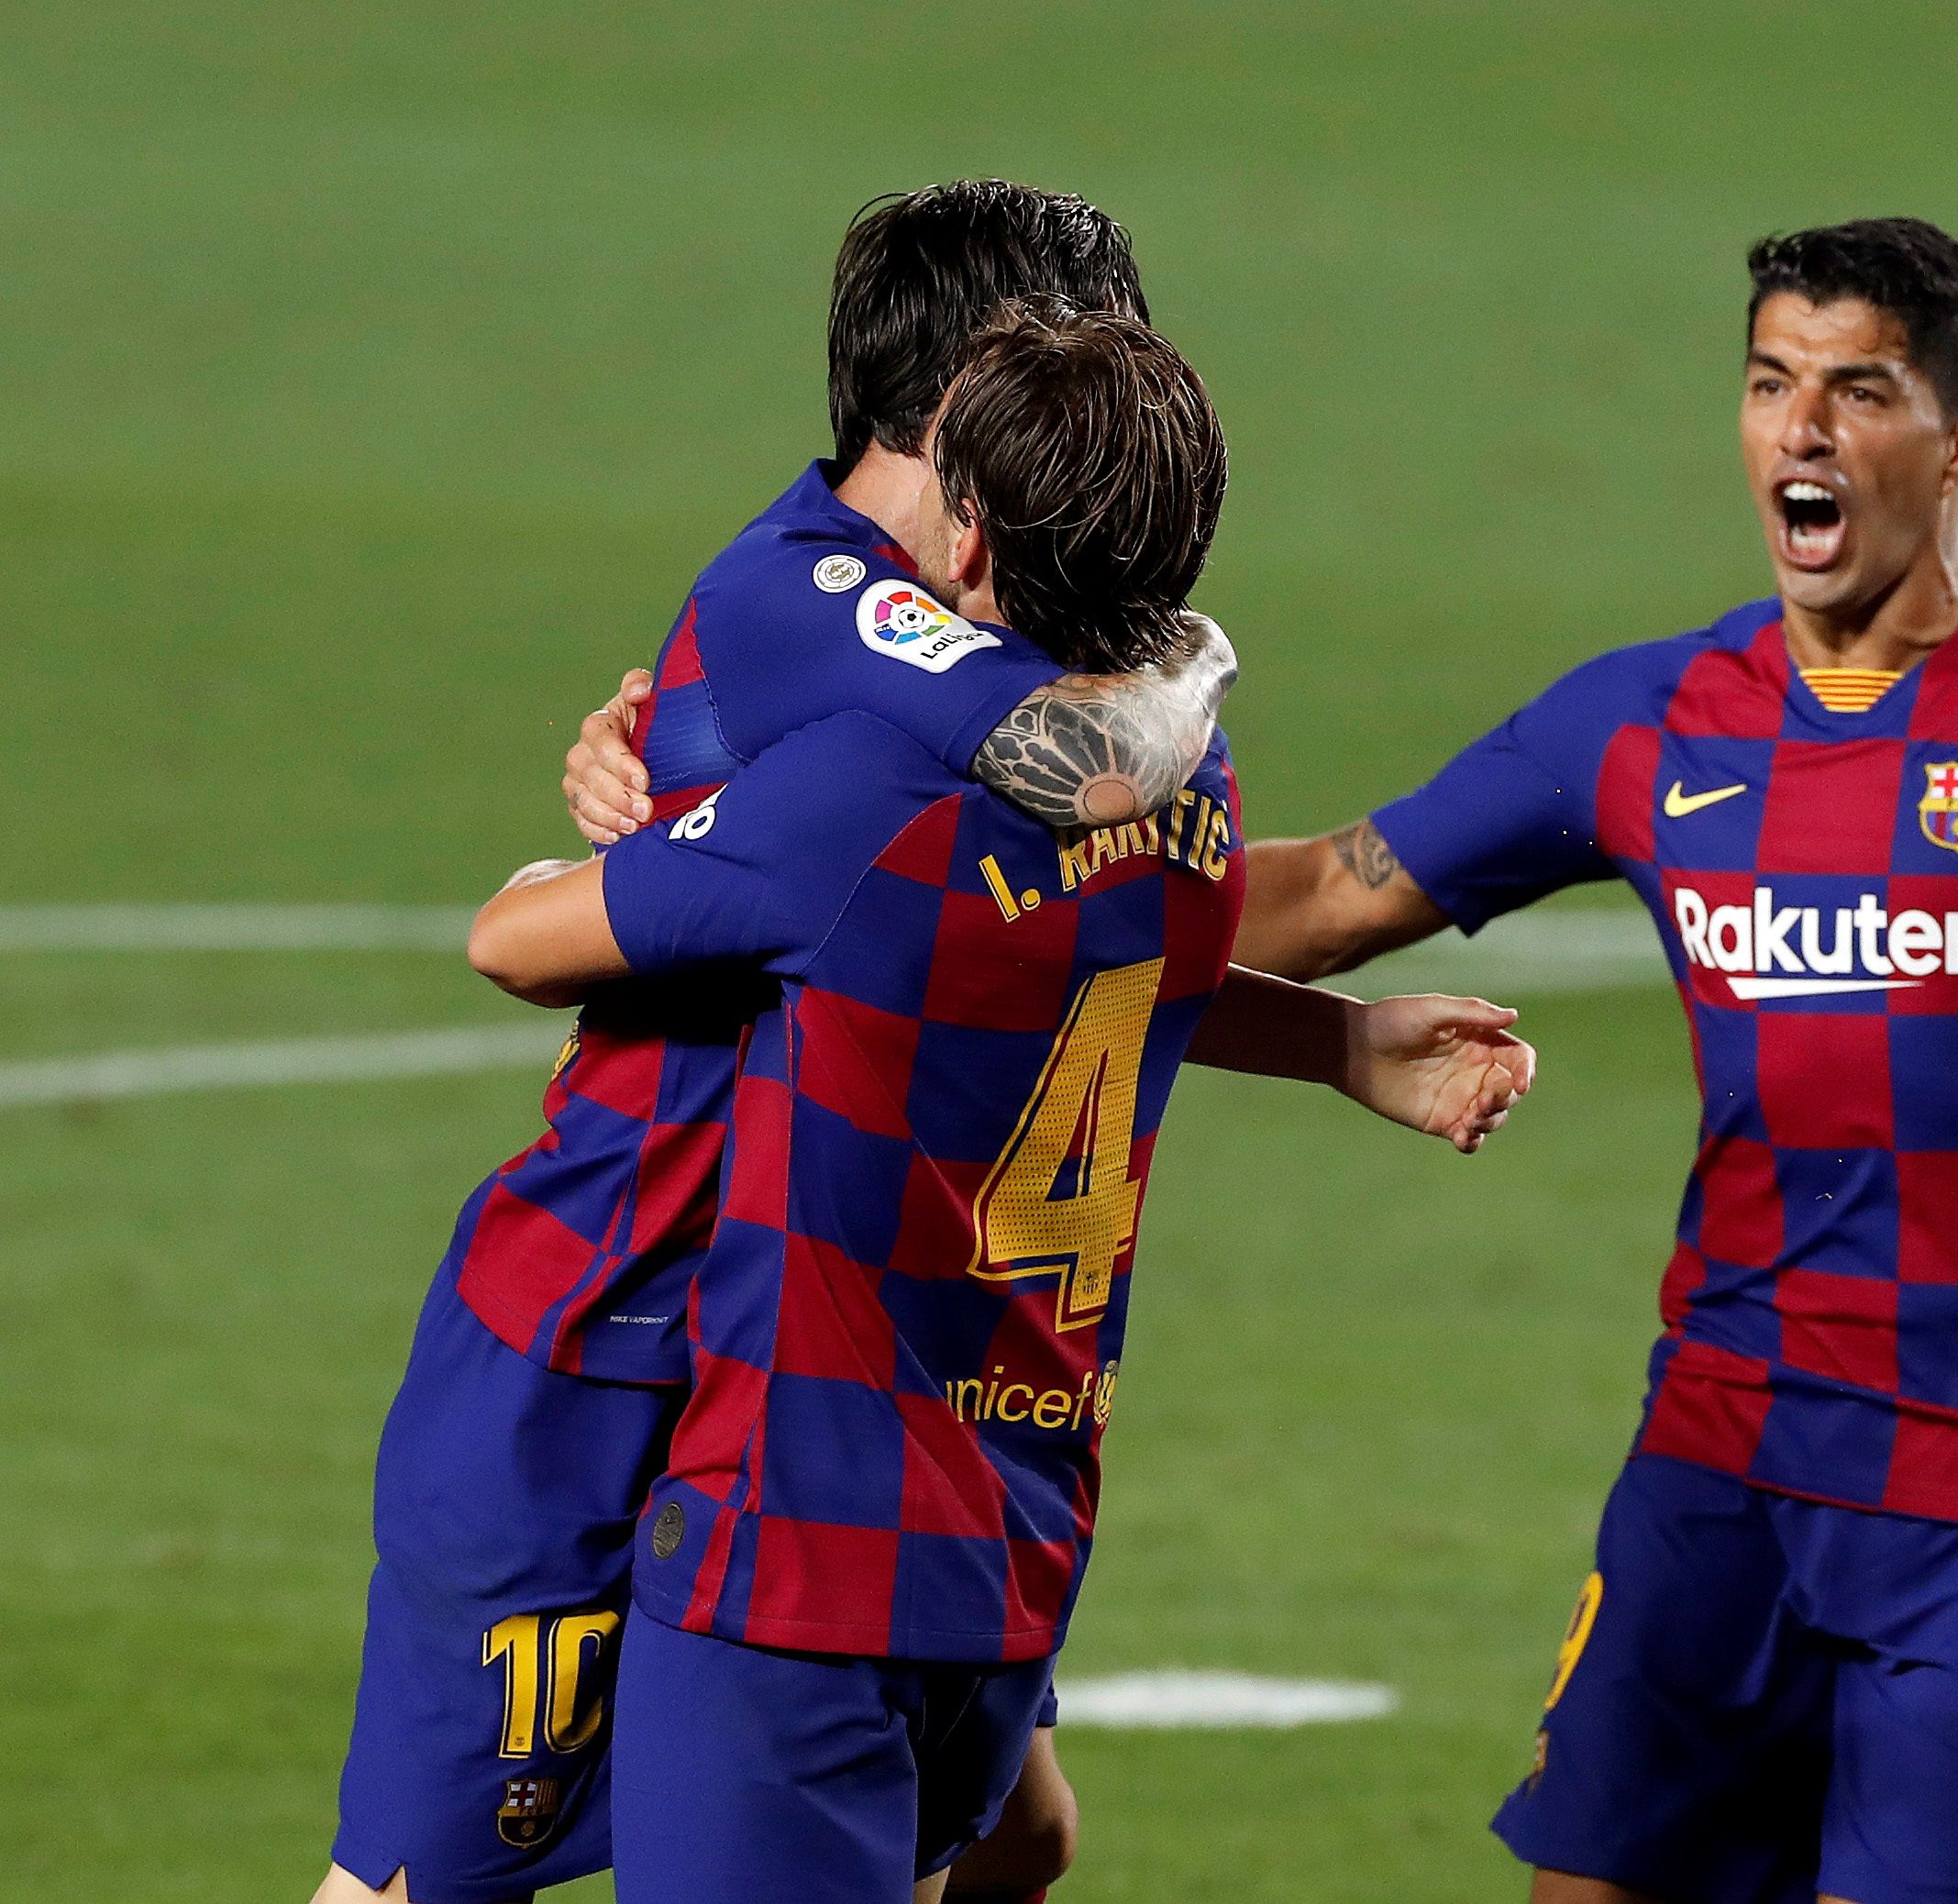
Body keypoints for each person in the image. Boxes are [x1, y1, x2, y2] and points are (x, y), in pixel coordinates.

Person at [570, 218, 1958, 1904]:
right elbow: (1325, 892)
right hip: (1727, 1458)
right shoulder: (1648, 726)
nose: (1806, 431)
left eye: (1864, 390)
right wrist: (770, 833)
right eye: (1774, 381)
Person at [326, 183, 1311, 1904]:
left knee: (1020, 1835)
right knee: (420, 1883)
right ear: (961, 425)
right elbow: (1083, 778)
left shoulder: (954, 638)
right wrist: (1195, 669)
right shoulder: (825, 601)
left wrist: (1343, 1046)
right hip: (609, 1328)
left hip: (836, 1339)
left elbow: (1074, 930)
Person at [477, 299, 1532, 1902]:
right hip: (1010, 1546)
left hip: (796, 1560)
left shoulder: (855, 798)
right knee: (1022, 1849)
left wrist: (616, 820)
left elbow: (515, 941)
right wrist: (1333, 1043)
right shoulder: (1194, 797)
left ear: (963, 530)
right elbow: (1098, 969)